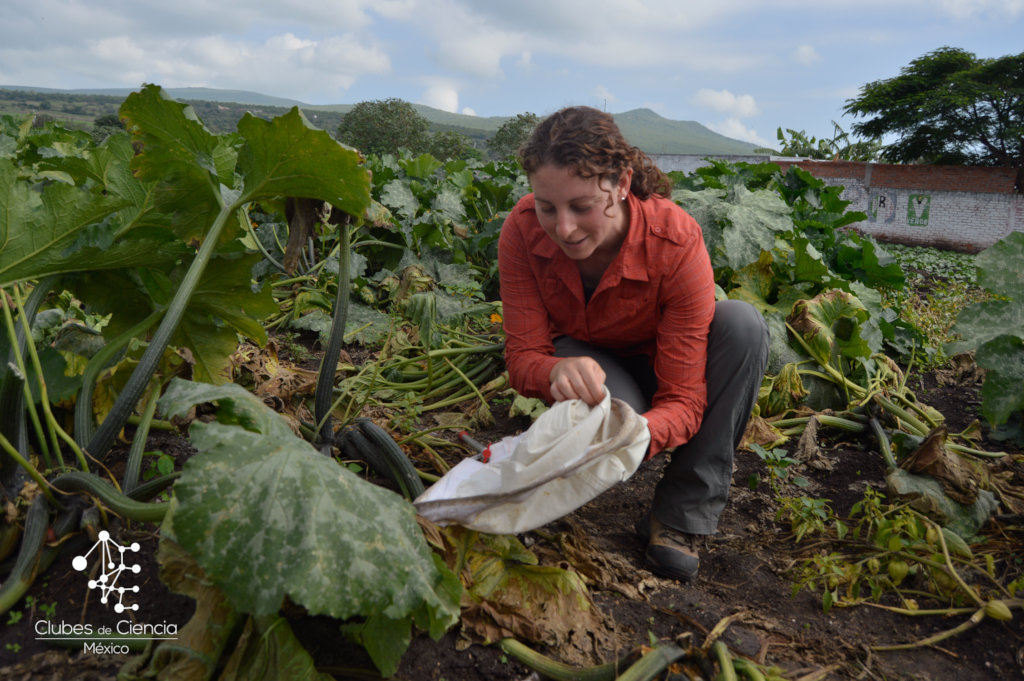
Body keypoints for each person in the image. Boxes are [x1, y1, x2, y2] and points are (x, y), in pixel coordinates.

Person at [497, 106, 769, 581]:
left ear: (621, 185)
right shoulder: (520, 230)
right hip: (588, 360)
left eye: (582, 207)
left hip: (671, 358)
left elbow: (684, 400)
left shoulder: (675, 239)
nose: (563, 228)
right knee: (613, 408)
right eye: (547, 207)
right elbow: (523, 358)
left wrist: (636, 436)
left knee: (741, 325)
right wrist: (554, 372)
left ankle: (681, 516)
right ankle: (609, 431)